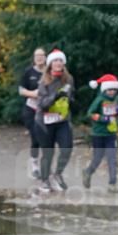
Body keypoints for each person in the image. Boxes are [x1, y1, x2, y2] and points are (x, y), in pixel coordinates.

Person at [35, 48, 75, 194]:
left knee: (67, 148)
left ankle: (58, 174)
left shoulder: (69, 79)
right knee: (48, 153)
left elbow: (72, 96)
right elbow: (42, 104)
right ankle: (45, 180)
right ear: (50, 63)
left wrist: (69, 99)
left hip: (62, 120)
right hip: (44, 122)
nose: (58, 63)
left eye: (61, 60)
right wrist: (56, 97)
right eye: (55, 60)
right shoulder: (44, 81)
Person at [83, 74, 118, 193]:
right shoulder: (99, 100)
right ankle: (88, 172)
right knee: (98, 158)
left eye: (114, 90)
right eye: (109, 90)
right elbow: (90, 113)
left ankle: (112, 184)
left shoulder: (117, 99)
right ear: (104, 89)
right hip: (98, 134)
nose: (111, 92)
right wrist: (102, 118)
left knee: (112, 159)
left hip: (111, 133)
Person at [18, 47, 46, 178]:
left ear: (45, 57)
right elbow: (21, 90)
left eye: (41, 55)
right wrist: (33, 94)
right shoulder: (28, 72)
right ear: (34, 58)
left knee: (47, 138)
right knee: (36, 137)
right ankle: (34, 164)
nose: (39, 58)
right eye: (37, 56)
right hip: (31, 110)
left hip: (47, 110)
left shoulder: (50, 72)